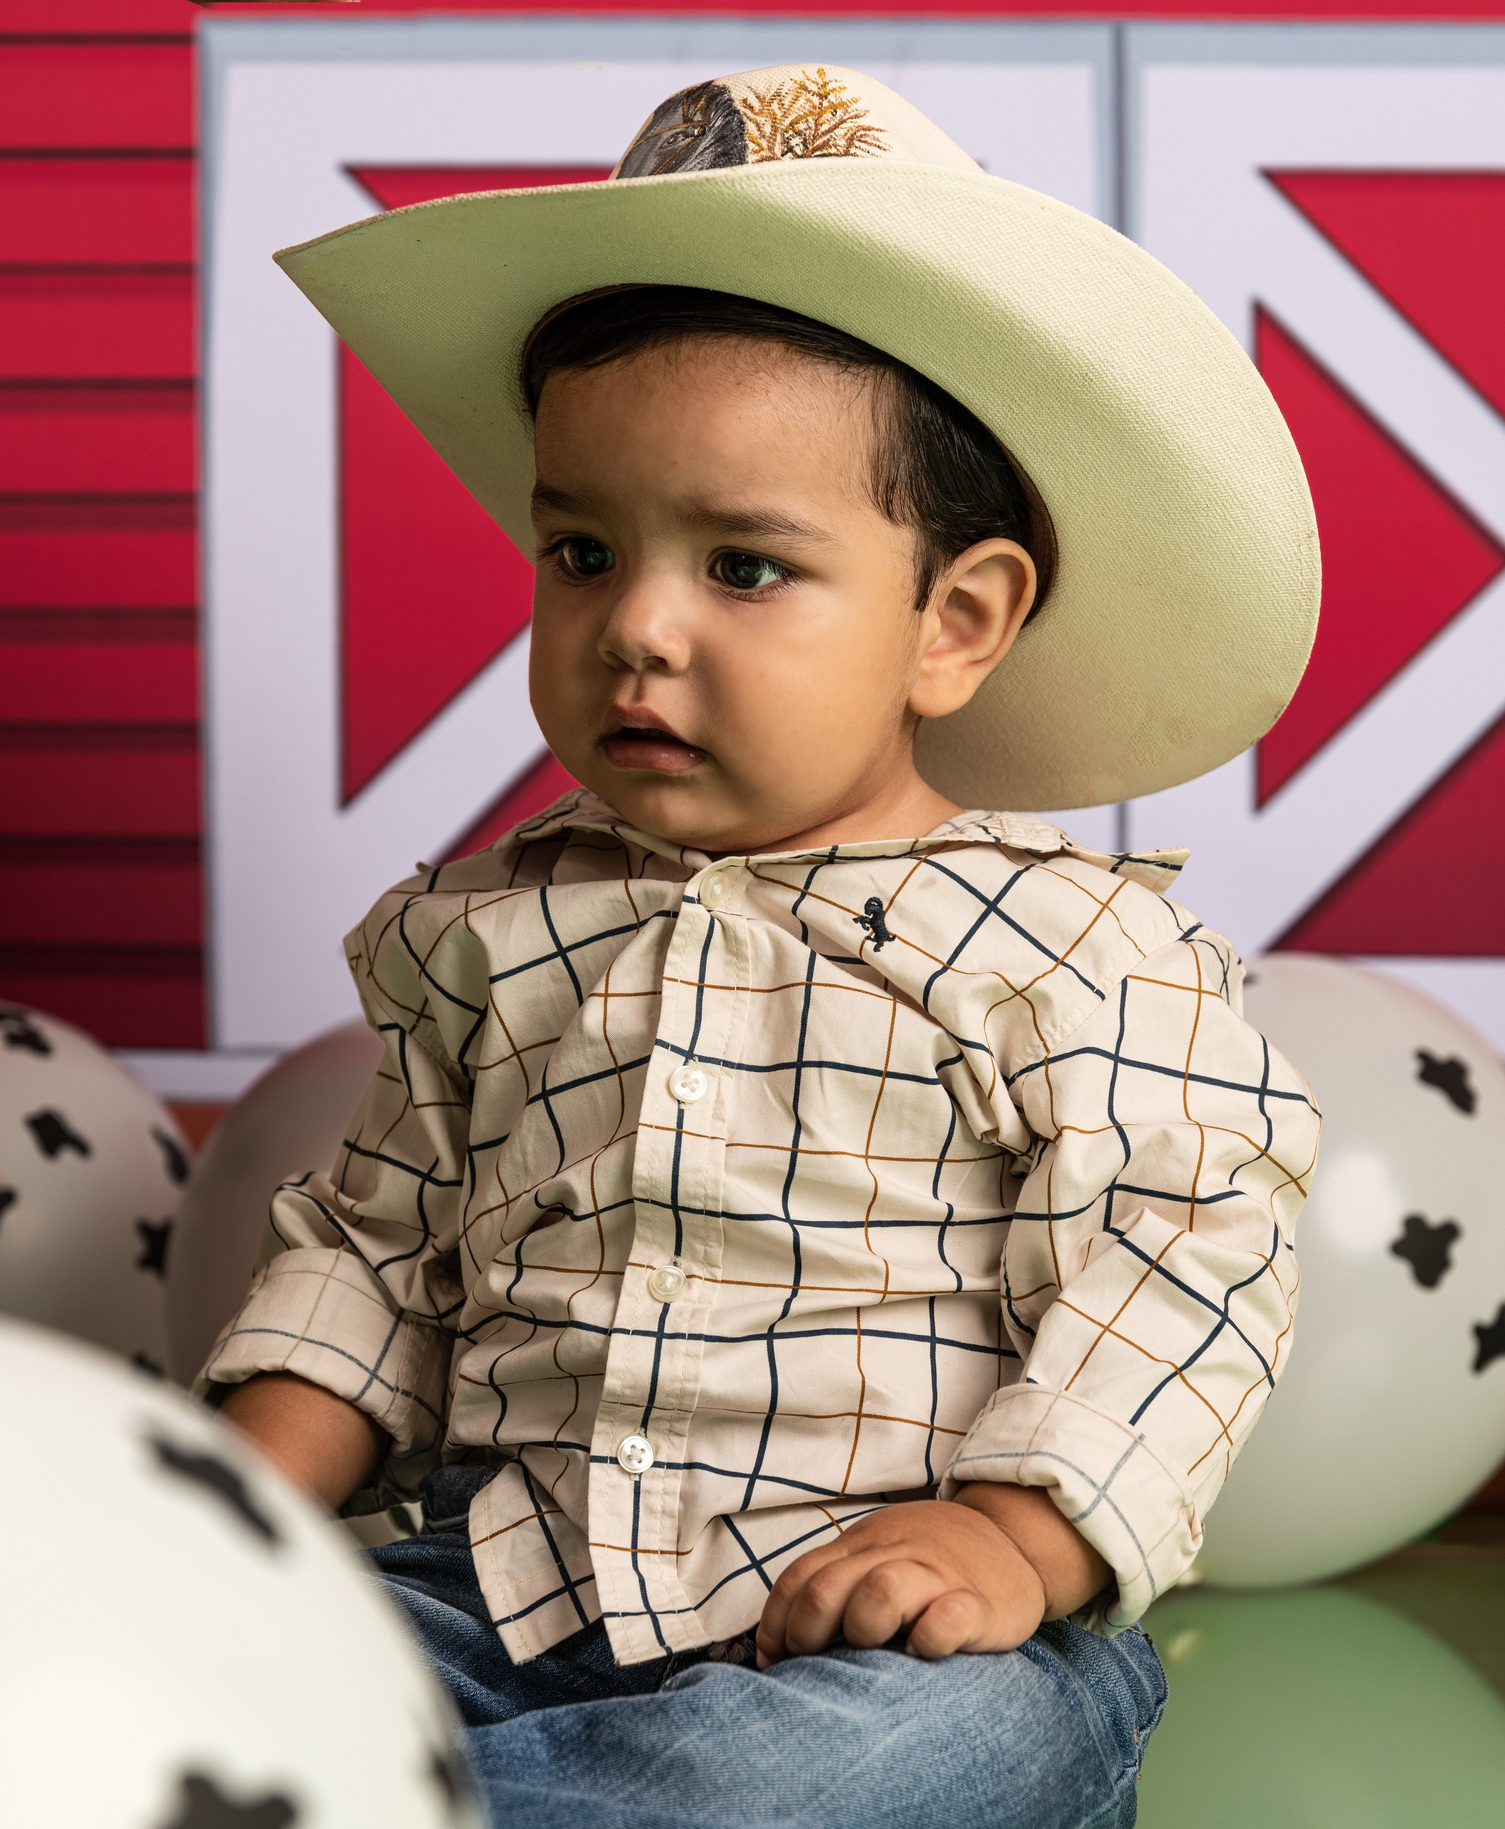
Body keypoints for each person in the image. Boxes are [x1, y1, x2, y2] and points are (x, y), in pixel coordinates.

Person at [198, 65, 1323, 1829]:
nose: (634, 625)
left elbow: (1181, 1271)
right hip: (509, 1586)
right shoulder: (488, 933)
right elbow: (374, 1250)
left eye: (741, 565)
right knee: (205, 1658)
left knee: (873, 1767)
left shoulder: (1080, 952)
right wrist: (214, 1534)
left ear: (954, 622)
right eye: (581, 548)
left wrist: (1012, 1537)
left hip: (893, 1631)